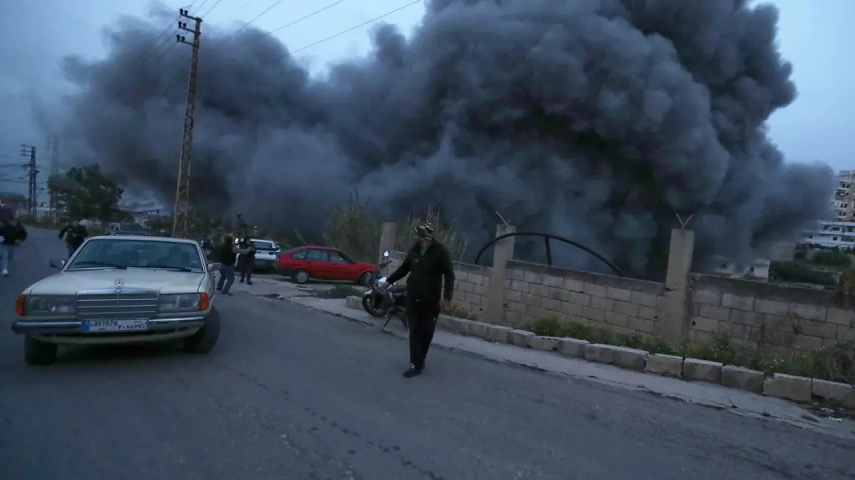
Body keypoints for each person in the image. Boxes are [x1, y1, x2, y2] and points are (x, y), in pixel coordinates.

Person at [382, 223, 455, 378]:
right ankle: (415, 364)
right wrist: (388, 282)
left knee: (426, 332)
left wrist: (447, 297)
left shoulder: (439, 252)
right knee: (414, 331)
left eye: (416, 235)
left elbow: (449, 274)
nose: (414, 237)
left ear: (424, 237)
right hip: (412, 297)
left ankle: (421, 359)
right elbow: (404, 268)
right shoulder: (414, 250)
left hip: (430, 300)